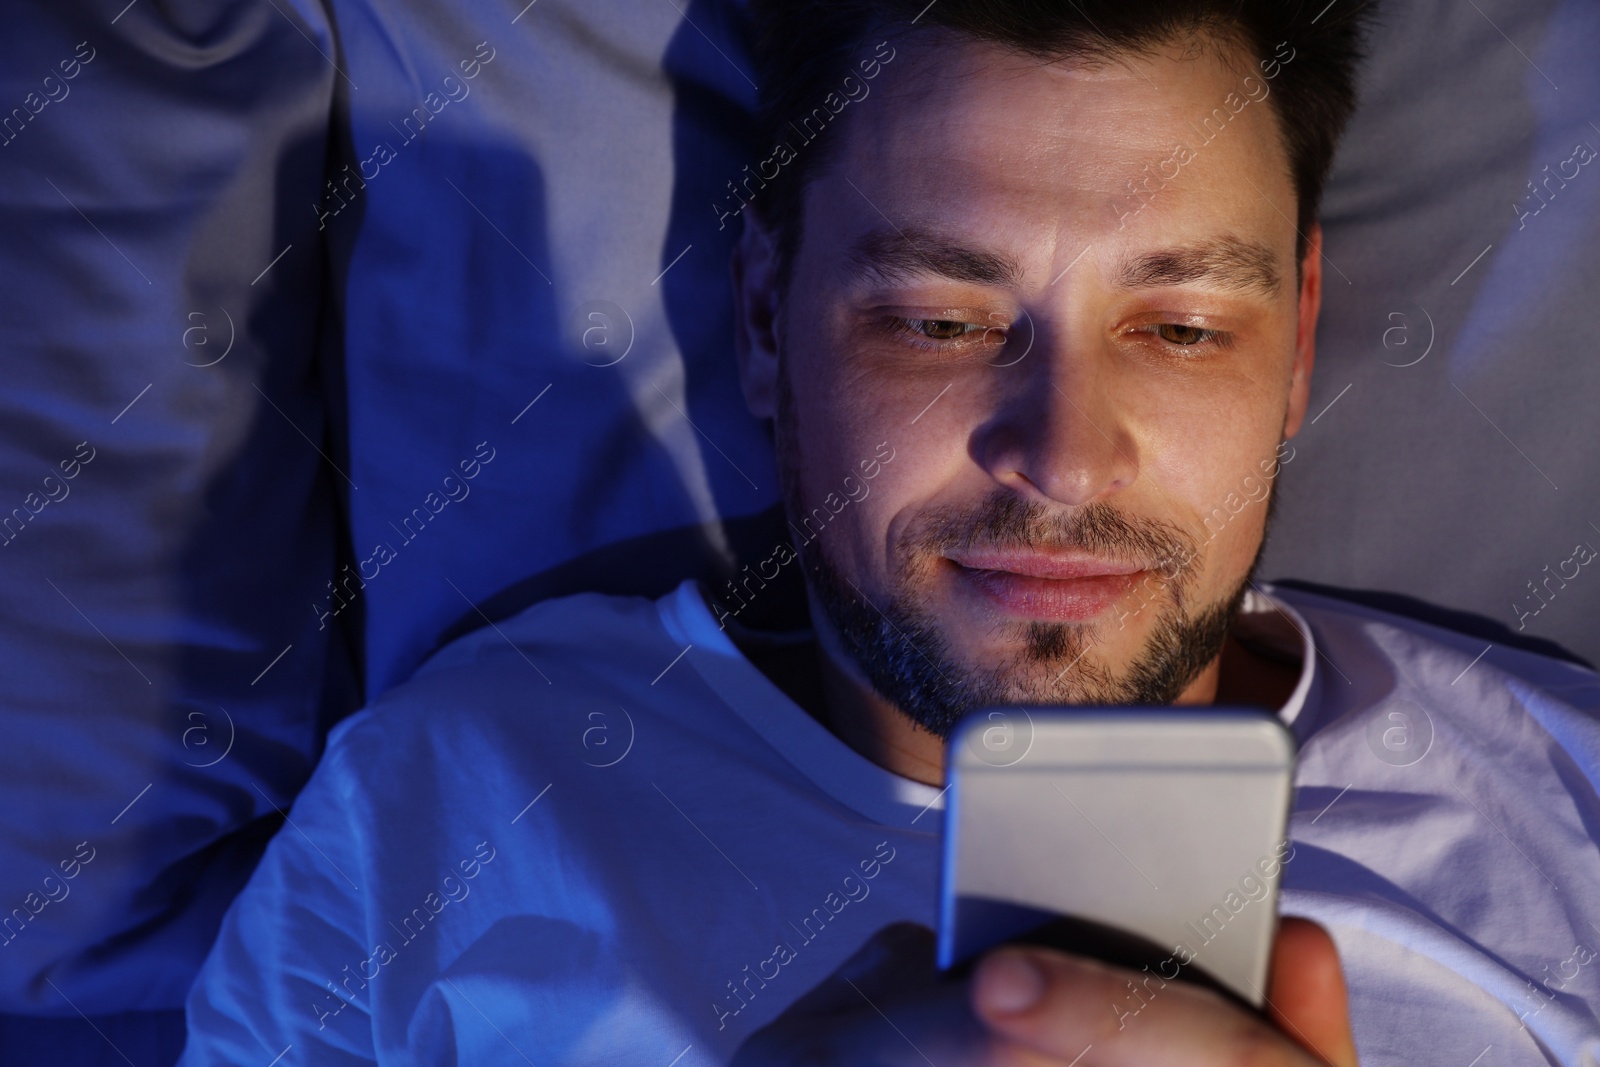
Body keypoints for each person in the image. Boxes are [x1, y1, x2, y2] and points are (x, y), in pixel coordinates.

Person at [180, 0, 1600, 1063]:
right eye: (939, 321)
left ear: (1293, 349)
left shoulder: (1568, 810)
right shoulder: (447, 804)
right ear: (759, 322)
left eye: (1178, 326)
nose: (1059, 458)